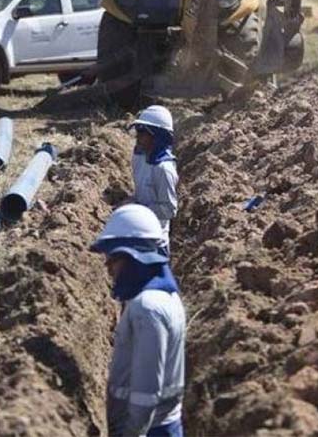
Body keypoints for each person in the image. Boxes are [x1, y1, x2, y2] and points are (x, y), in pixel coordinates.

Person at [92, 204, 186, 436]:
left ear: (131, 257)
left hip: (149, 429)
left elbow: (146, 392)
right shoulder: (164, 295)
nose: (108, 267)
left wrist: (132, 433)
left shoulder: (148, 308)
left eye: (113, 258)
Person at [130, 105, 178, 253]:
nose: (138, 136)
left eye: (143, 132)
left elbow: (169, 209)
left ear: (158, 136)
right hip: (137, 233)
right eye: (138, 131)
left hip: (156, 243)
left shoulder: (163, 169)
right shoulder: (139, 158)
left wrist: (139, 210)